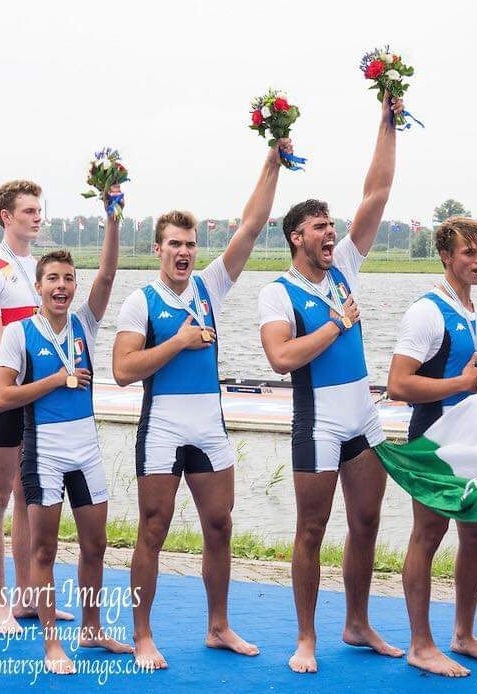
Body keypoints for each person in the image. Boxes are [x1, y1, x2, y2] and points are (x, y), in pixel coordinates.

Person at [112, 141, 287, 670]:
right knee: (153, 529)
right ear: (158, 249)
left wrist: (272, 162)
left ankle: (218, 626)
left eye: (190, 244)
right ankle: (143, 634)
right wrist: (178, 342)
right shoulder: (141, 301)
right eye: (174, 244)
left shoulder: (209, 287)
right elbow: (123, 371)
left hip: (209, 427)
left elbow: (251, 227)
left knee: (220, 526)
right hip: (163, 428)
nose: (184, 252)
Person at [257, 95, 406, 673]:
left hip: (363, 420)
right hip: (317, 423)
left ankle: (357, 622)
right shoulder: (278, 292)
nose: (331, 233)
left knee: (367, 523)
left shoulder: (343, 266)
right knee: (312, 530)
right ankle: (305, 638)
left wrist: (388, 121)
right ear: (297, 237)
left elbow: (378, 192)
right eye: (320, 227)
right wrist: (336, 325)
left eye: (332, 227)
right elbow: (280, 357)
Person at [0, 205, 130, 674]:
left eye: (68, 279)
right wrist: (55, 380)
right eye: (52, 278)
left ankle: (90, 629)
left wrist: (113, 218)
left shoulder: (84, 325)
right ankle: (53, 643)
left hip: (86, 450)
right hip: (45, 453)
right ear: (38, 286)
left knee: (96, 545)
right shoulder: (18, 333)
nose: (61, 286)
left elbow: (108, 275)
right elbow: (2, 398)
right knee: (45, 551)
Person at [386, 217, 477, 676]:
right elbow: (398, 384)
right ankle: (420, 644)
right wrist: (460, 383)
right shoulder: (427, 312)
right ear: (445, 256)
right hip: (434, 439)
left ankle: (464, 635)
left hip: (472, 440)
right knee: (429, 534)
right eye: (468, 253)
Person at [0, 180, 71, 632]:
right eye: (29, 211)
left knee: (30, 497)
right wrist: (40, 380)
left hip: (39, 396)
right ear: (6, 217)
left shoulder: (41, 269)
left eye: (39, 210)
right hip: (4, 394)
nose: (37, 217)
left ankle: (28, 597)